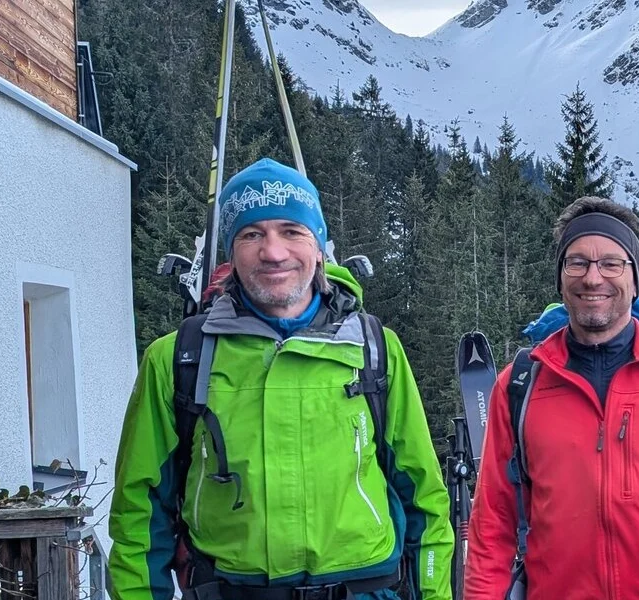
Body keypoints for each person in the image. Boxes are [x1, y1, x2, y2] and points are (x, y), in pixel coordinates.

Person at [109, 158, 452, 600]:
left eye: (292, 230)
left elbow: (424, 497)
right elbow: (139, 512)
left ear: (318, 244)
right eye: (252, 234)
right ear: (231, 251)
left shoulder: (374, 349)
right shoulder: (177, 358)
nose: (273, 252)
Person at [464, 197, 639, 599]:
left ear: (635, 280)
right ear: (561, 277)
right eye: (577, 263)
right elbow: (492, 524)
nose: (593, 278)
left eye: (612, 263)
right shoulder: (521, 385)